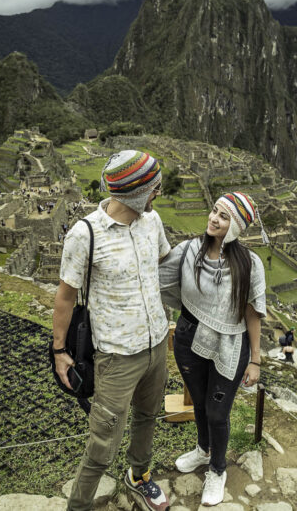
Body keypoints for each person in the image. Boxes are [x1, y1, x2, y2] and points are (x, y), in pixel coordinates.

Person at [52, 150, 171, 511]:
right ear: (136, 193)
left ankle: (139, 476)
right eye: (154, 188)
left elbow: (162, 266)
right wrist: (59, 351)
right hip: (116, 356)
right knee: (103, 443)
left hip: (156, 345)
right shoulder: (85, 235)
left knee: (148, 417)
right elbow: (65, 297)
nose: (159, 193)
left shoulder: (152, 222)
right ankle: (79, 506)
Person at [160, 192, 266, 507]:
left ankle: (217, 470)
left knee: (218, 411)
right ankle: (203, 450)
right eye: (214, 211)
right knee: (201, 406)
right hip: (189, 338)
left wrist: (256, 360)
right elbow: (159, 274)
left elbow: (252, 313)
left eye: (222, 216)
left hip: (230, 345)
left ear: (234, 226)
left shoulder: (250, 264)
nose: (213, 218)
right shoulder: (189, 250)